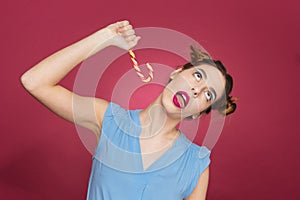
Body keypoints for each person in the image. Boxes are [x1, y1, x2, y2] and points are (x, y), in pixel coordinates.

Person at [21, 20, 236, 200]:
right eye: (198, 76)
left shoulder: (196, 164)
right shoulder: (109, 120)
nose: (196, 90)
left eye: (208, 95)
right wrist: (103, 38)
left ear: (198, 113)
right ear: (177, 73)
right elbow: (34, 82)